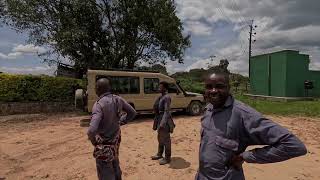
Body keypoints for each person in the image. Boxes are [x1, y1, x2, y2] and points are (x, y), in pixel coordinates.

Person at [196, 72, 307, 180]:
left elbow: (294, 145)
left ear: (229, 88)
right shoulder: (209, 108)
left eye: (219, 86)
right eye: (209, 87)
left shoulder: (243, 114)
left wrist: (245, 156)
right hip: (202, 175)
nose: (213, 91)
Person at [87, 78, 137, 180]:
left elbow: (92, 130)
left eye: (96, 87)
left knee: (105, 170)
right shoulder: (118, 99)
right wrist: (121, 121)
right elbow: (132, 113)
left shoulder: (98, 105)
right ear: (109, 88)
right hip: (115, 141)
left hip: (104, 144)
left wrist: (94, 142)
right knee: (115, 162)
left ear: (98, 88)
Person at [151, 81, 175, 165]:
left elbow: (167, 111)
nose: (158, 88)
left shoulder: (167, 97)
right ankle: (159, 154)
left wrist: (163, 123)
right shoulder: (161, 97)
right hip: (159, 119)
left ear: (165, 88)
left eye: (160, 87)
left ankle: (167, 158)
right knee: (160, 138)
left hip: (164, 120)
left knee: (166, 139)